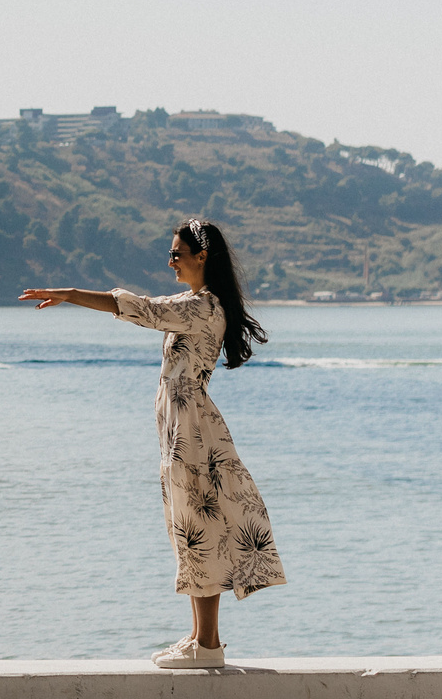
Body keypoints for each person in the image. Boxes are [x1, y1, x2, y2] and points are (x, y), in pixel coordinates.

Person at [21, 217, 286, 669]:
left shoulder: (202, 307)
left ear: (202, 256)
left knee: (196, 529)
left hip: (191, 432)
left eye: (177, 254)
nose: (171, 262)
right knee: (188, 528)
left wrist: (71, 294)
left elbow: (141, 308)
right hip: (183, 428)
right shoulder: (196, 303)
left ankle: (207, 649)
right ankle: (205, 640)